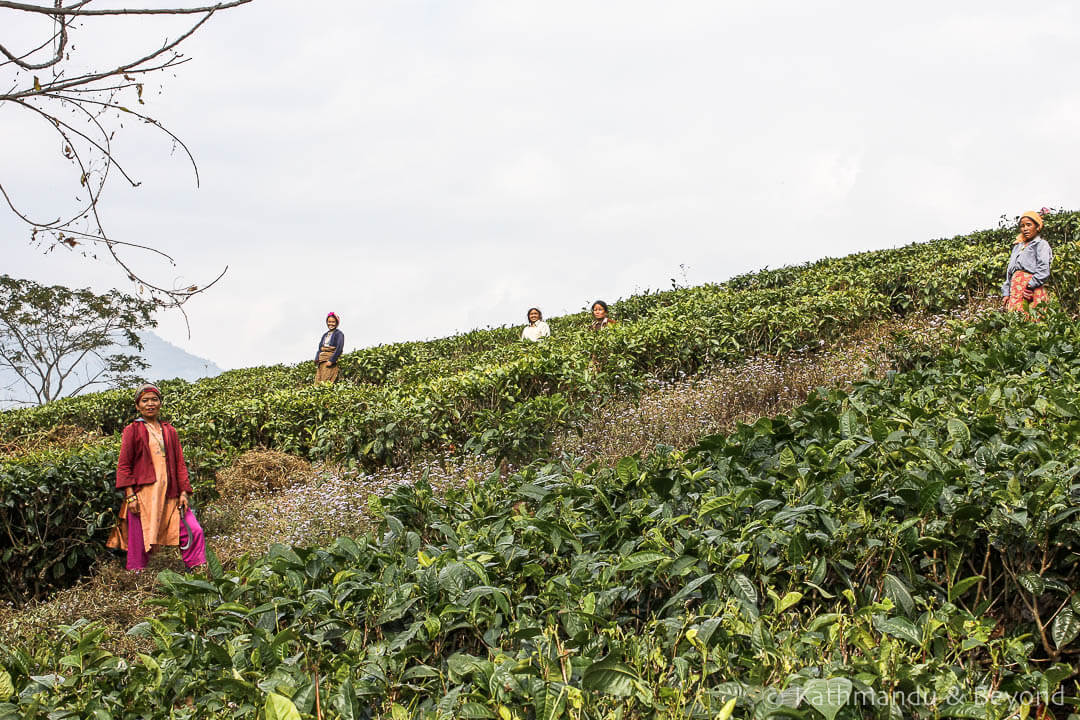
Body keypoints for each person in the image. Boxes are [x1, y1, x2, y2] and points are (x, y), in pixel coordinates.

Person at [106, 384, 206, 572]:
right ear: (138, 406)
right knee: (140, 539)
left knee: (193, 530)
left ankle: (197, 570)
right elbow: (124, 465)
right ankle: (137, 578)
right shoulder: (132, 430)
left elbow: (179, 464)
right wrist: (130, 496)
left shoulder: (170, 431)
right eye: (145, 400)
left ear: (160, 403)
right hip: (143, 496)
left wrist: (184, 492)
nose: (150, 404)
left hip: (171, 493)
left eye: (154, 400)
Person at [1001, 211, 1053, 315]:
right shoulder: (1017, 246)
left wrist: (1030, 286)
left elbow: (1043, 269)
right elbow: (1010, 272)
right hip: (1015, 289)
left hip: (1031, 289)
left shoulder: (1041, 244)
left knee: (1032, 320)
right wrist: (1006, 293)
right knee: (1016, 320)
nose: (1025, 229)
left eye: (1029, 225)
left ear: (1037, 227)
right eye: (1022, 226)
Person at [315, 312, 344, 383]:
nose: (331, 324)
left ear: (337, 323)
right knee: (318, 381)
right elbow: (320, 348)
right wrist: (317, 358)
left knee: (326, 381)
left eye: (333, 322)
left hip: (329, 360)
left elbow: (339, 348)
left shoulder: (339, 334)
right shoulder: (325, 335)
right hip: (322, 361)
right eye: (329, 322)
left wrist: (332, 360)